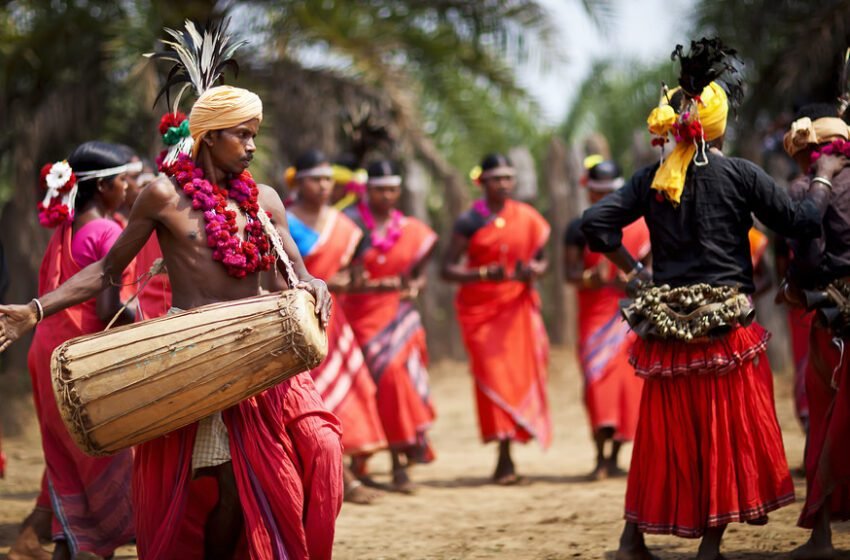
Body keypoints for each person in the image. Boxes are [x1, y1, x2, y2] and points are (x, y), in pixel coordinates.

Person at [0, 28, 341, 559]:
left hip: (263, 352)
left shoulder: (266, 199)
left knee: (319, 448)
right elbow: (107, 273)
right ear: (207, 137)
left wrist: (314, 285)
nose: (252, 146)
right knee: (222, 486)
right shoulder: (162, 195)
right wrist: (35, 309)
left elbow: (295, 271)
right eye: (241, 135)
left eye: (255, 134)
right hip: (198, 359)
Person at [581, 38, 836, 560]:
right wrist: (822, 180)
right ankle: (709, 545)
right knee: (721, 430)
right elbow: (802, 222)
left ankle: (632, 539)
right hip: (726, 328)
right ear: (718, 126)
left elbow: (593, 224)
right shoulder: (740, 174)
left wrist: (635, 274)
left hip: (667, 331)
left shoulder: (652, 178)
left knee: (661, 436)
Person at [12, 143, 138, 560]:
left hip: (47, 356)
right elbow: (108, 309)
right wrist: (145, 323)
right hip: (81, 364)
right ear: (103, 187)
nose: (129, 187)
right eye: (124, 179)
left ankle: (69, 542)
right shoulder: (109, 233)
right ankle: (92, 544)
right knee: (104, 456)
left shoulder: (63, 233)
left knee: (66, 458)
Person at [441, 153, 551, 485]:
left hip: (517, 308)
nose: (502, 184)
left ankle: (510, 454)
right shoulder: (469, 222)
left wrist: (534, 270)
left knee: (518, 376)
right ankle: (502, 455)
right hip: (482, 314)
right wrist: (480, 274)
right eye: (495, 178)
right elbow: (447, 268)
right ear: (482, 182)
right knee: (492, 379)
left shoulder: (529, 218)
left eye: (507, 178)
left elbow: (543, 260)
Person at [284, 150, 387, 504]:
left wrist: (347, 281)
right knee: (311, 399)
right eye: (316, 178)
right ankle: (330, 478)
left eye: (328, 179)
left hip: (333, 322)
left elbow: (356, 276)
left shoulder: (345, 227)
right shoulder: (279, 220)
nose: (324, 186)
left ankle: (346, 474)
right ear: (297, 181)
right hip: (293, 323)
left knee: (350, 392)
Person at [779, 101, 850, 560]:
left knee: (826, 419)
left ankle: (822, 537)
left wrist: (794, 288)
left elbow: (806, 258)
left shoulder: (806, 187)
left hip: (833, 318)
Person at [340, 159, 437, 494]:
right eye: (379, 189)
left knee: (397, 380)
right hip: (356, 316)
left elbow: (421, 272)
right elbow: (340, 267)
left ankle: (400, 463)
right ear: (367, 190)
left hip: (397, 316)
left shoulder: (410, 229)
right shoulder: (349, 225)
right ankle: (359, 464)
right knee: (361, 386)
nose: (386, 195)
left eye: (392, 189)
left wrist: (416, 286)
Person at [564, 157, 649, 480]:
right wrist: (591, 277)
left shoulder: (642, 225)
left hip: (630, 314)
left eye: (609, 191)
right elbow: (570, 273)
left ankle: (615, 456)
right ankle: (599, 456)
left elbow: (652, 268)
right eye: (597, 192)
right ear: (589, 193)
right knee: (596, 383)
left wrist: (634, 278)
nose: (602, 197)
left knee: (628, 386)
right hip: (594, 315)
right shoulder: (578, 227)